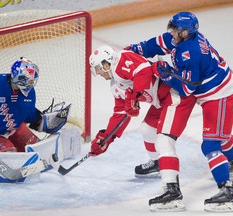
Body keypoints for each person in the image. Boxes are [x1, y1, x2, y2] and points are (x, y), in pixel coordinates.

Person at [124, 11, 233, 212]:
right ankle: (230, 165)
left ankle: (228, 192)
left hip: (219, 95)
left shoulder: (191, 53)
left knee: (211, 145)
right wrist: (128, 52)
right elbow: (155, 44)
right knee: (223, 139)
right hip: (212, 90)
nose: (171, 32)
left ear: (185, 33)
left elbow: (186, 88)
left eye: (175, 30)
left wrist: (165, 74)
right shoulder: (181, 38)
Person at [89, 45, 196, 211]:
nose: (98, 73)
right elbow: (120, 113)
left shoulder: (122, 59)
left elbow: (144, 70)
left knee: (163, 140)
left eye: (98, 69)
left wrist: (135, 96)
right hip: (161, 101)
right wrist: (106, 138)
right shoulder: (115, 85)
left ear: (106, 63)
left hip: (174, 94)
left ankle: (173, 192)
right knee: (147, 129)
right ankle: (156, 163)